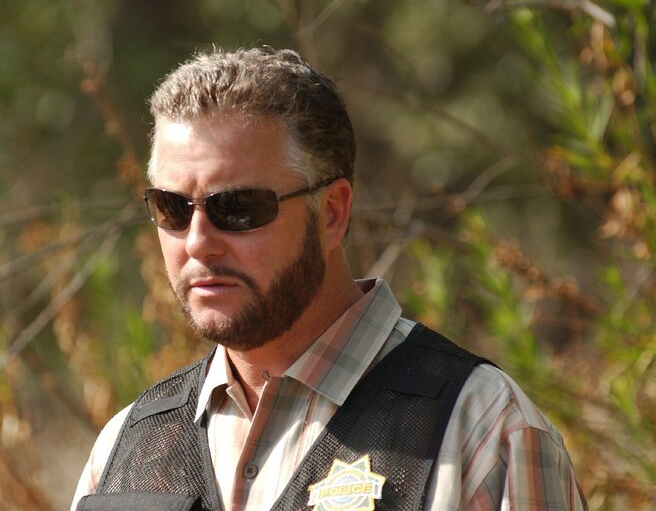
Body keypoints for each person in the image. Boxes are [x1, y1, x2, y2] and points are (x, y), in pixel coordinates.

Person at [71, 46, 586, 511]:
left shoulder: (485, 433)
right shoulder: (123, 451)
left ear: (332, 213)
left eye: (239, 207)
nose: (198, 241)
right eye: (172, 207)